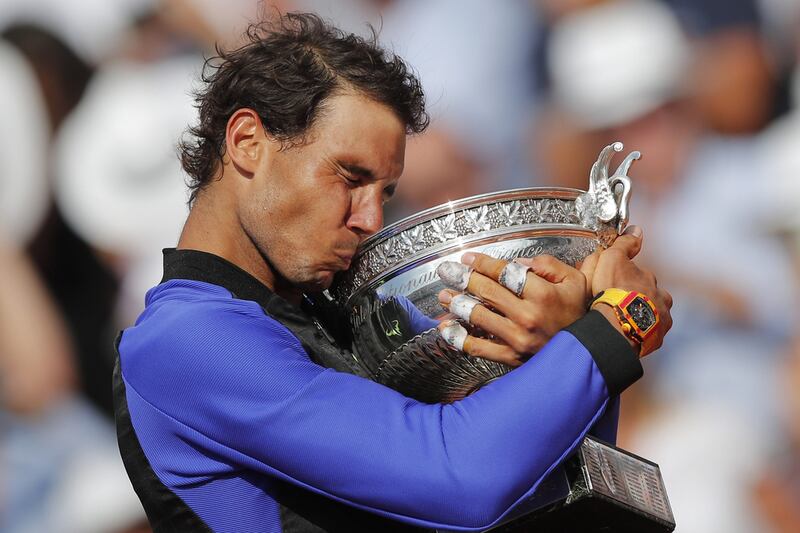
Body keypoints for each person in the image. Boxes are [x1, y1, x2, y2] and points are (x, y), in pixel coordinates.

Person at [114, 12, 672, 532]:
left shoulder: (347, 317)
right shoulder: (185, 340)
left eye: (385, 192)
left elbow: (554, 499)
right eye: (349, 177)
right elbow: (457, 478)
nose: (371, 219)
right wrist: (616, 325)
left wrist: (560, 338)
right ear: (247, 143)